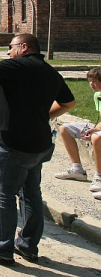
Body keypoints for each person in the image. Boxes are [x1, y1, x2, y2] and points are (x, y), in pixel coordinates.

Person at [0, 33, 75, 265]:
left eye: (11, 47)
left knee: (3, 194)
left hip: (14, 143)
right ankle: (28, 245)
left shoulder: (16, 66)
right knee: (31, 194)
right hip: (39, 143)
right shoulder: (50, 72)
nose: (8, 52)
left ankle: (1, 247)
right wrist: (44, 115)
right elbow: (69, 102)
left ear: (23, 47)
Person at [54, 68, 101, 199]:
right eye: (90, 81)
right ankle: (77, 169)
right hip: (98, 127)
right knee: (65, 128)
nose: (91, 84)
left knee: (97, 138)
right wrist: (93, 129)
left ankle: (99, 176)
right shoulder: (97, 95)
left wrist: (95, 131)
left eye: (95, 81)